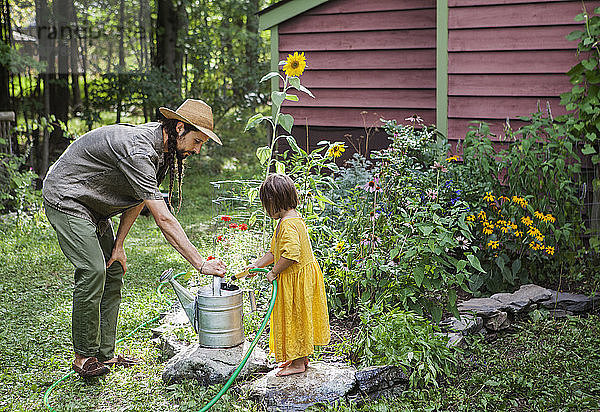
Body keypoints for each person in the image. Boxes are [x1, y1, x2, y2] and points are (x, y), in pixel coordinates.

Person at [42, 99, 227, 378]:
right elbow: (163, 219)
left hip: (94, 205)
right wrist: (200, 264)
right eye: (197, 141)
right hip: (67, 197)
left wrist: (119, 245)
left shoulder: (165, 151)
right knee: (93, 269)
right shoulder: (140, 150)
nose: (198, 149)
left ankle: (105, 354)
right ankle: (83, 356)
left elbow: (138, 197)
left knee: (113, 268)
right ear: (179, 128)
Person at [247, 173, 330, 376]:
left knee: (296, 319)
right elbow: (275, 252)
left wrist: (274, 272)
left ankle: (298, 363)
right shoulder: (292, 219)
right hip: (299, 279)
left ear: (273, 201)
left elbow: (291, 255)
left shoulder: (287, 224)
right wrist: (255, 266)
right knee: (296, 318)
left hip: (296, 281)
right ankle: (297, 358)